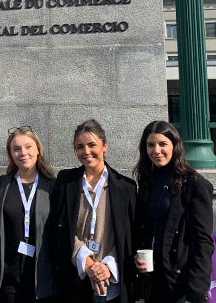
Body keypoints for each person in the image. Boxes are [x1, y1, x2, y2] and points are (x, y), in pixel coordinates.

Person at [52, 119, 137, 303]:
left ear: (105, 146)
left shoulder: (126, 187)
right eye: (80, 147)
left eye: (92, 145)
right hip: (74, 280)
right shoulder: (66, 181)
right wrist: (86, 261)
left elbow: (128, 236)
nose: (86, 152)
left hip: (111, 283)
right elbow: (59, 228)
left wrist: (106, 266)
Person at [132, 121, 214, 303]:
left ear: (175, 146)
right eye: (150, 145)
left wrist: (195, 294)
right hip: (153, 281)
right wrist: (137, 255)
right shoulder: (147, 183)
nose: (156, 150)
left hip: (181, 283)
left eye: (163, 144)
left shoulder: (195, 185)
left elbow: (203, 242)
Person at [0, 126, 57, 303]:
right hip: (9, 280)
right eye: (16, 149)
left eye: (28, 147)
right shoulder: (3, 185)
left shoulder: (52, 186)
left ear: (38, 150)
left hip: (42, 281)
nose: (23, 153)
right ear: (11, 154)